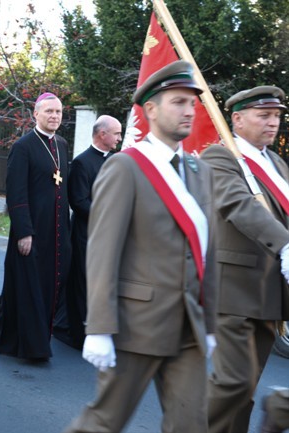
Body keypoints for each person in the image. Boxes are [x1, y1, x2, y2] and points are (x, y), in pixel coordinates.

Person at [64, 60, 218, 433]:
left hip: (188, 328)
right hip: (135, 326)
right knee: (103, 422)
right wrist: (98, 326)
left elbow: (207, 252)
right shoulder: (125, 167)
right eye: (178, 102)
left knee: (191, 425)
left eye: (192, 103)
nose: (188, 111)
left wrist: (210, 323)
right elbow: (102, 251)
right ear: (150, 109)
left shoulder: (201, 173)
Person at [200, 86, 289, 433]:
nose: (273, 122)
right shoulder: (220, 157)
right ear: (236, 119)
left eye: (277, 116)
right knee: (232, 382)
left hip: (269, 289)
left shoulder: (276, 162)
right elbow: (238, 205)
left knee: (245, 386)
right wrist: (285, 246)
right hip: (233, 288)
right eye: (263, 115)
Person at [0, 92, 71, 361]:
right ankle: (32, 347)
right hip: (32, 231)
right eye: (49, 111)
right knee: (29, 287)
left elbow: (62, 187)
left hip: (55, 231)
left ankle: (18, 334)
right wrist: (24, 232)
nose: (54, 116)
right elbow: (16, 193)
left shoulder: (61, 144)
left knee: (47, 286)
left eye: (58, 112)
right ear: (36, 114)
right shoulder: (23, 146)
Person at [65, 115, 122, 350]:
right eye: (116, 133)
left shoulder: (117, 161)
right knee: (83, 283)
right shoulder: (81, 163)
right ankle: (80, 334)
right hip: (86, 234)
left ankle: (102, 328)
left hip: (111, 235)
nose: (119, 137)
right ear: (102, 135)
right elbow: (78, 201)